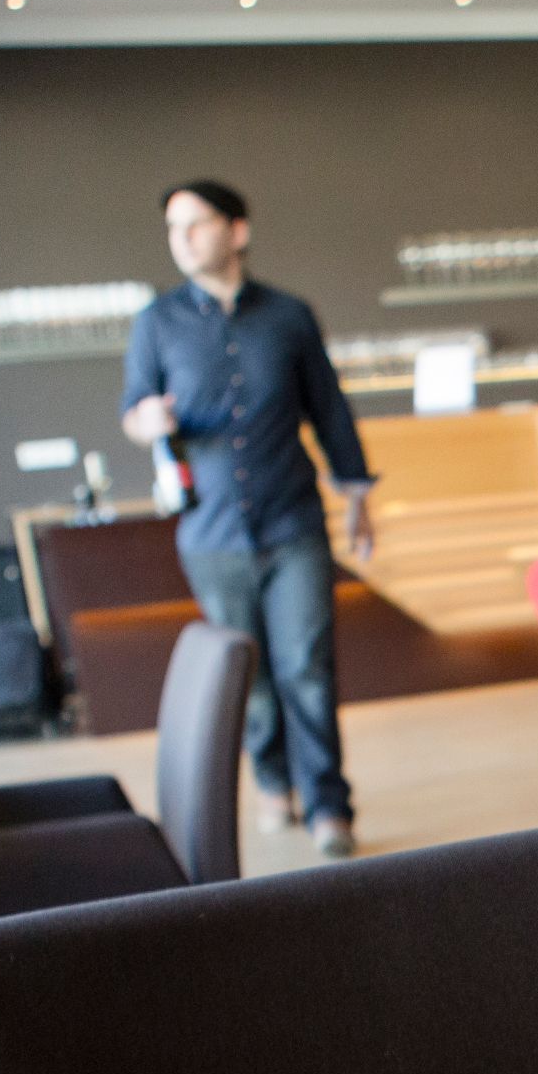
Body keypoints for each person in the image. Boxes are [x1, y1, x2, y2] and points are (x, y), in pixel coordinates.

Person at [121, 179, 376, 857]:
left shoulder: (290, 315)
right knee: (252, 675)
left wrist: (357, 497)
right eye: (173, 229)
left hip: (294, 522)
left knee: (308, 667)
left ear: (236, 231)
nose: (183, 240)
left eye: (197, 224)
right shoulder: (157, 321)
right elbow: (133, 410)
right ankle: (272, 781)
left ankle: (328, 805)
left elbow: (329, 409)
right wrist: (146, 421)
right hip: (210, 532)